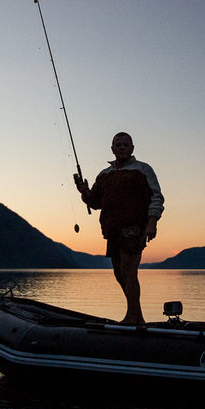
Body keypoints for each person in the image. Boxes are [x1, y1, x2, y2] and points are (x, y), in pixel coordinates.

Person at [75, 132, 164, 324]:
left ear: (132, 148)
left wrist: (152, 221)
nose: (122, 147)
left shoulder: (143, 169)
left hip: (134, 227)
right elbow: (95, 202)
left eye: (126, 144)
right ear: (112, 149)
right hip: (111, 230)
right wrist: (84, 193)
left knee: (129, 270)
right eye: (118, 144)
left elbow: (156, 197)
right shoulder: (104, 175)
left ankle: (134, 316)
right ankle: (136, 315)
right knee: (119, 272)